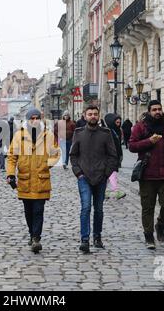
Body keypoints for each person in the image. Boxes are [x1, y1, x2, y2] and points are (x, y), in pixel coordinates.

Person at [7, 107, 61, 253]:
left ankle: (36, 238)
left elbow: (56, 153)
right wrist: (11, 174)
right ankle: (32, 234)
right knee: (28, 211)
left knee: (38, 210)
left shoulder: (48, 135)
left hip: (41, 178)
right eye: (32, 118)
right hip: (25, 179)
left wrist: (47, 164)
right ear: (28, 120)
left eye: (37, 118)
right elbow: (12, 156)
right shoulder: (19, 136)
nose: (35, 120)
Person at [129, 100, 164, 250]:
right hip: (147, 173)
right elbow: (131, 146)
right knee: (147, 207)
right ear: (149, 111)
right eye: (154, 110)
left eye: (159, 109)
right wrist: (149, 141)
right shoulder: (140, 127)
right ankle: (149, 236)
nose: (158, 112)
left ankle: (160, 225)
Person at [70, 106, 117, 253]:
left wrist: (106, 172)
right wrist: (78, 172)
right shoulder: (78, 133)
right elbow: (73, 155)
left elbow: (112, 155)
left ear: (98, 116)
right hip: (84, 176)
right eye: (90, 114)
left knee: (99, 209)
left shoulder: (105, 133)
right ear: (85, 116)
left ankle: (97, 237)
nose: (93, 116)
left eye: (95, 114)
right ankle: (85, 239)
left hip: (100, 176)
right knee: (85, 207)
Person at [104, 114, 126, 200]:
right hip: (110, 156)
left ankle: (103, 191)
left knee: (107, 175)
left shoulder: (117, 130)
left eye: (119, 122)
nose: (119, 123)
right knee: (113, 173)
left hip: (116, 155)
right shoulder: (108, 131)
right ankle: (116, 190)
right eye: (117, 122)